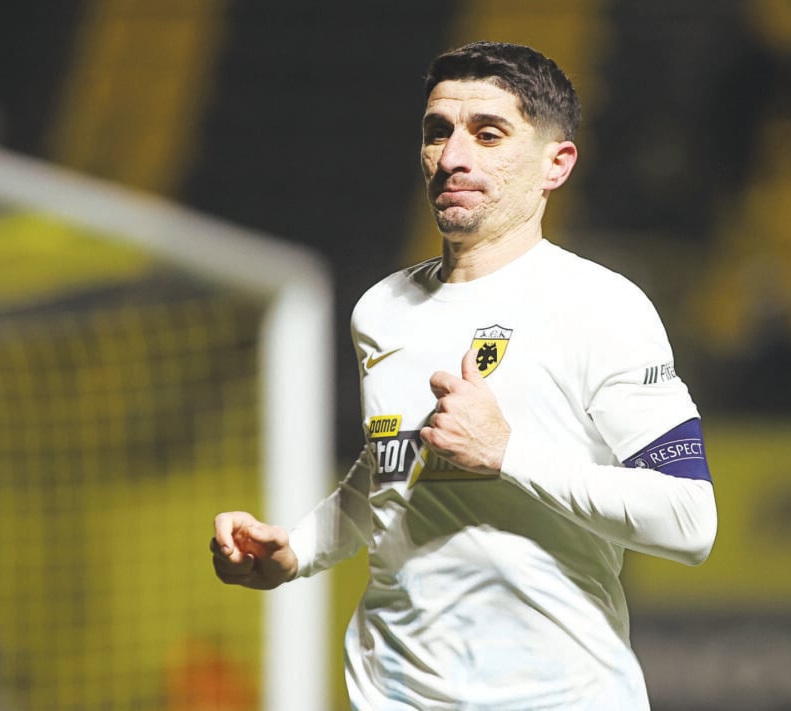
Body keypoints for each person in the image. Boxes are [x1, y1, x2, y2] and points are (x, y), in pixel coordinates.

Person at [210, 41, 717, 710]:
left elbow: (688, 521)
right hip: (392, 693)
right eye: (437, 132)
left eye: (488, 133)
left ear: (556, 163)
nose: (453, 156)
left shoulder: (602, 307)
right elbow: (392, 465)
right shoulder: (381, 309)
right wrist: (297, 549)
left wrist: (506, 452)